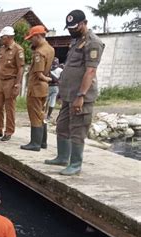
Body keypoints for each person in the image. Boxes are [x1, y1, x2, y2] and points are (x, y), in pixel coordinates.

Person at [45, 10, 105, 176]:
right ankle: (63, 157)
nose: (71, 30)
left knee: (77, 130)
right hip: (68, 94)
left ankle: (76, 164)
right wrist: (62, 91)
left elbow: (90, 71)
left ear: (84, 23)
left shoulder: (93, 42)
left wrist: (81, 96)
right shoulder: (76, 41)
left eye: (75, 26)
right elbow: (70, 68)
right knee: (62, 126)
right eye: (69, 27)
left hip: (81, 97)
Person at [0, 26, 25, 141]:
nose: (0, 40)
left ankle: (9, 131)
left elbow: (21, 69)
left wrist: (17, 85)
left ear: (8, 37)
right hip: (0, 82)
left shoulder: (18, 50)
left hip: (11, 81)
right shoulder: (2, 49)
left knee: (10, 107)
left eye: (2, 38)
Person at [20, 25, 55, 151]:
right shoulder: (50, 49)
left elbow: (39, 73)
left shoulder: (39, 52)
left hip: (36, 87)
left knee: (35, 115)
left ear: (38, 36)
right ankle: (43, 142)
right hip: (44, 89)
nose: (31, 41)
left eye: (32, 38)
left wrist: (47, 79)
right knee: (41, 115)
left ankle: (35, 143)